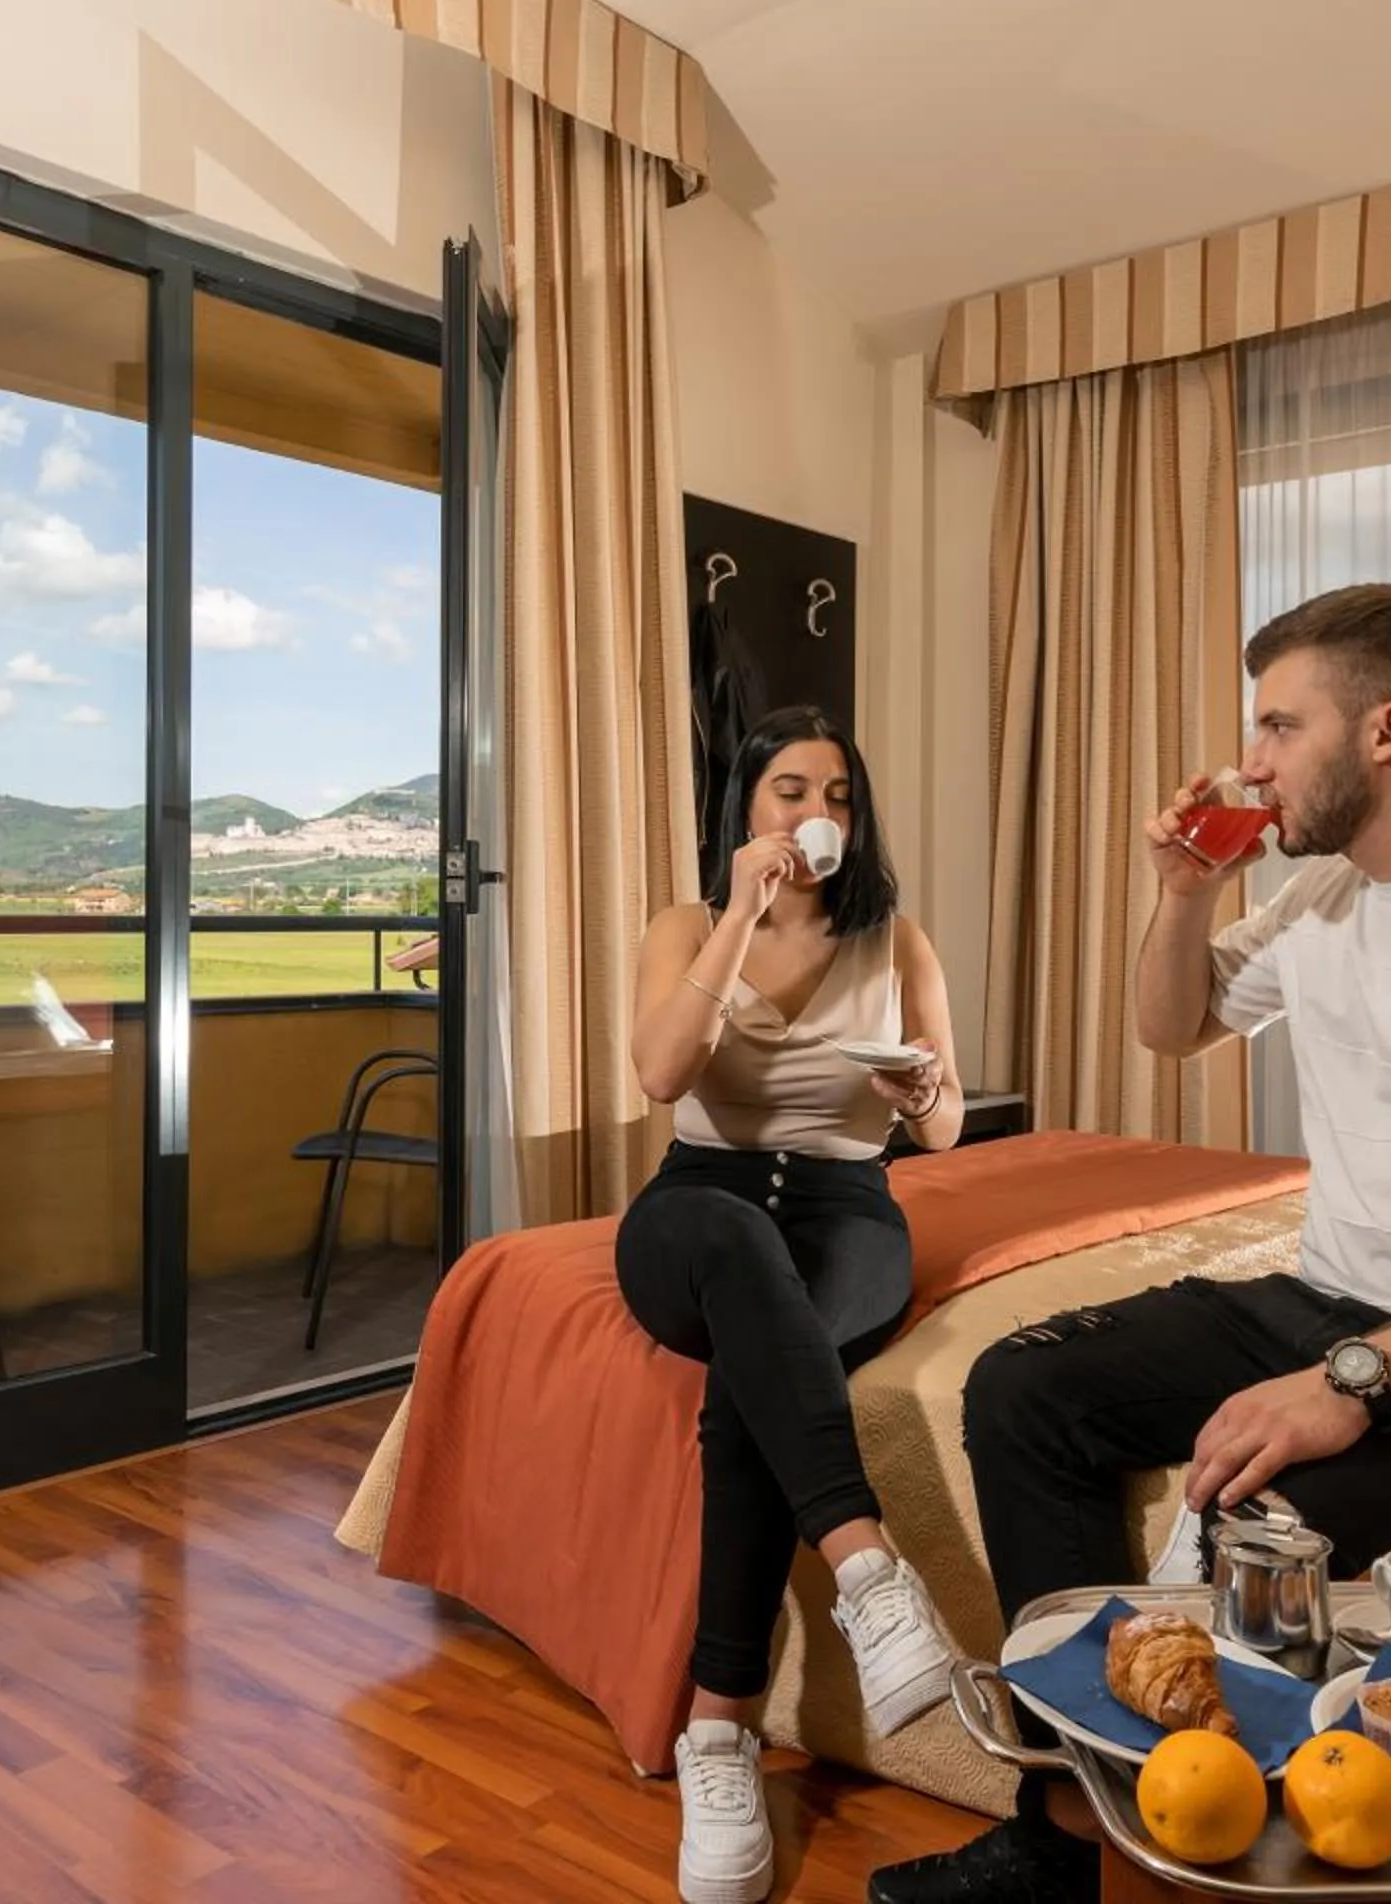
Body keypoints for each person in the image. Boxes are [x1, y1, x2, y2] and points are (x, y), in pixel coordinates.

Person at [869, 583, 1391, 1904]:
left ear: (1387, 730)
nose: (1250, 761)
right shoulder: (1324, 900)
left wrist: (1354, 1384)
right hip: (1330, 1292)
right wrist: (1184, 891)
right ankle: (1073, 1831)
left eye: (1278, 726)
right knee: (1024, 1387)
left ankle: (1222, 1849)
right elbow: (1171, 1023)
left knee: (1266, 1530)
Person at [623, 704, 970, 1904]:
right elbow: (661, 1072)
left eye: (838, 796)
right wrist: (739, 914)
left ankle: (717, 1728)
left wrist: (921, 1089)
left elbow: (945, 1125)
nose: (817, 813)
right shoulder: (686, 925)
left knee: (755, 1372)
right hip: (698, 1202)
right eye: (791, 790)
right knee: (736, 1246)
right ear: (748, 805)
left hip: (845, 1209)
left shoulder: (897, 939)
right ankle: (871, 1573)